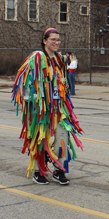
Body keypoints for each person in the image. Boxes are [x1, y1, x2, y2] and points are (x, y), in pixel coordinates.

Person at [11, 28, 84, 185]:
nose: (56, 42)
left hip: (59, 107)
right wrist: (30, 99)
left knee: (63, 137)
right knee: (40, 138)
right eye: (53, 39)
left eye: (58, 39)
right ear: (44, 41)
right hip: (40, 108)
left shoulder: (59, 59)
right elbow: (24, 79)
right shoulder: (36, 57)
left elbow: (62, 80)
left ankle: (60, 170)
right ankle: (39, 171)